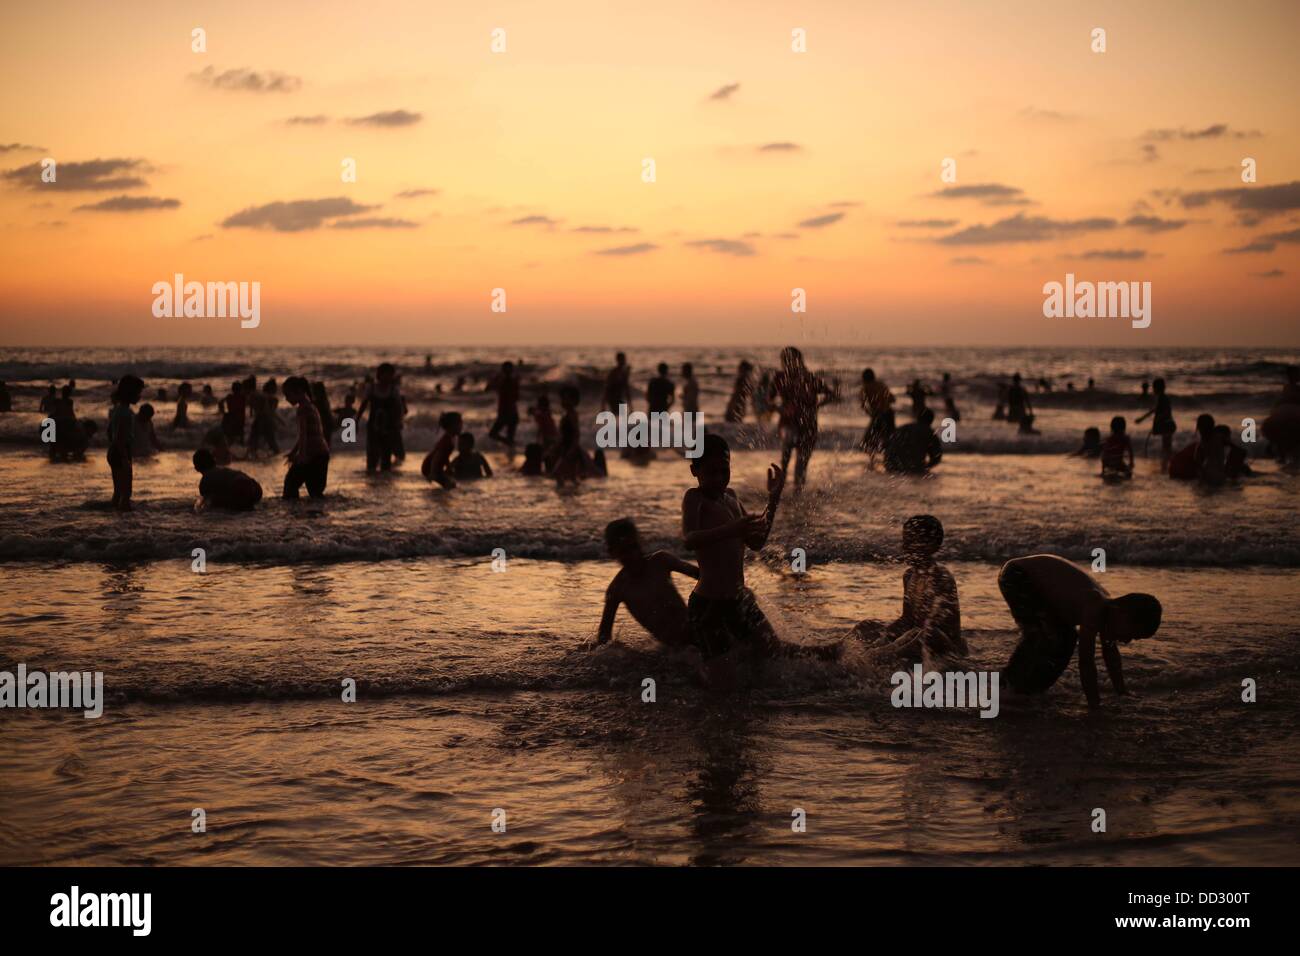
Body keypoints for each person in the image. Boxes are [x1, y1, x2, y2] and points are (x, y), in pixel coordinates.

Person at [681, 434, 838, 687]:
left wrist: (773, 498)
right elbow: (689, 539)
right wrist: (733, 529)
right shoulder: (694, 498)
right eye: (711, 472)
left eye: (725, 470)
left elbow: (757, 541)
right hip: (709, 606)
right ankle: (690, 674)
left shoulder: (731, 498)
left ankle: (837, 654)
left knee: (773, 651)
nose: (720, 478)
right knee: (723, 687)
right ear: (694, 470)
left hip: (738, 600)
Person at [998, 554, 1162, 707]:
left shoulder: (1109, 613)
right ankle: (1006, 685)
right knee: (1042, 635)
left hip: (1035, 584)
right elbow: (1086, 662)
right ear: (1122, 613)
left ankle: (1031, 689)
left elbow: (1111, 654)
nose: (1127, 640)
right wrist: (1094, 705)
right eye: (1131, 634)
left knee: (1066, 638)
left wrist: (1121, 692)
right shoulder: (1095, 606)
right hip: (1017, 575)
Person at [848, 515, 966, 667]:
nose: (905, 548)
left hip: (945, 646)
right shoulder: (909, 575)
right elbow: (906, 620)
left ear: (932, 545)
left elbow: (935, 628)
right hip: (914, 639)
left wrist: (889, 645)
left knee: (926, 634)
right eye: (905, 541)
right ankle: (841, 650)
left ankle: (874, 658)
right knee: (867, 626)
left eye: (911, 542)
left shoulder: (940, 577)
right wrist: (883, 636)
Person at [596, 518, 700, 647]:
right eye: (624, 551)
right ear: (612, 553)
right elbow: (603, 638)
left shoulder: (661, 561)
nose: (632, 555)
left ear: (641, 543)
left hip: (697, 635)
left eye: (634, 547)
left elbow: (703, 576)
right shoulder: (617, 589)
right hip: (673, 651)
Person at [769, 347, 834, 491]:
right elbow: (769, 400)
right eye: (785, 360)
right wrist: (779, 409)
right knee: (786, 461)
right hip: (789, 423)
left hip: (808, 424)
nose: (788, 363)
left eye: (790, 360)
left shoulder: (809, 378)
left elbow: (831, 394)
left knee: (801, 463)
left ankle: (796, 497)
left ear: (798, 361)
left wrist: (817, 405)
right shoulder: (780, 378)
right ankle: (781, 494)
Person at [281, 376, 330, 500]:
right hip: (322, 454)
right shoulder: (311, 406)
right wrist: (294, 452)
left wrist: (302, 455)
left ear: (299, 391)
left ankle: (293, 514)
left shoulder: (302, 409)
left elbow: (303, 434)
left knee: (290, 486)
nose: (286, 398)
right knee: (315, 493)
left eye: (287, 394)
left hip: (311, 455)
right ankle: (315, 517)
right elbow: (308, 434)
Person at [107, 375, 145, 511]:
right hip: (122, 452)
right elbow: (120, 437)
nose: (140, 396)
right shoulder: (127, 413)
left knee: (118, 491)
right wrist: (124, 457)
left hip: (113, 451)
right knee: (126, 492)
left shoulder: (117, 410)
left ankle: (114, 514)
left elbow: (109, 432)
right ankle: (124, 520)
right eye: (138, 393)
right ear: (131, 393)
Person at [358, 362, 403, 472]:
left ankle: (384, 479)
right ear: (379, 374)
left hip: (389, 427)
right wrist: (356, 420)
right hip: (373, 426)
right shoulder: (371, 388)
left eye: (390, 375)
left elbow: (399, 408)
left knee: (386, 454)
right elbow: (363, 405)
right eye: (385, 374)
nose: (387, 377)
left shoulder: (393, 390)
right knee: (372, 453)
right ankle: (371, 476)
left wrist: (399, 422)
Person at [192, 448, 263, 511]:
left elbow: (206, 503)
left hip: (239, 487)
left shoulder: (205, 481)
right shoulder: (223, 471)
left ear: (197, 468)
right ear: (213, 460)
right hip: (255, 487)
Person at [884, 408, 943, 474]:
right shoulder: (929, 432)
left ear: (917, 418)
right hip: (910, 467)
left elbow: (887, 444)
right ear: (931, 420)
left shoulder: (903, 428)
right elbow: (937, 456)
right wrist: (926, 467)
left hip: (890, 463)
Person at [859, 368, 896, 462]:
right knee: (889, 438)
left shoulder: (865, 387)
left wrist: (871, 414)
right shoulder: (882, 385)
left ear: (864, 378)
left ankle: (872, 460)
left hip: (878, 415)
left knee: (866, 442)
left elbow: (863, 405)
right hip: (889, 414)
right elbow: (893, 399)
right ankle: (888, 459)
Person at [1136, 377, 1175, 464]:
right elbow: (1155, 410)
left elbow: (1163, 412)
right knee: (1166, 446)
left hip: (1167, 425)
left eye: (1154, 387)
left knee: (1167, 446)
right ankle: (1166, 463)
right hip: (1168, 424)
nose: (1153, 389)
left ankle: (1168, 463)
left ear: (1158, 388)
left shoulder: (1162, 398)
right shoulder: (1162, 398)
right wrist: (1142, 419)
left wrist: (1158, 419)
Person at [422, 411, 462, 489]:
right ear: (452, 426)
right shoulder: (447, 441)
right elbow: (437, 457)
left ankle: (440, 495)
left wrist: (449, 467)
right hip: (430, 467)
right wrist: (433, 473)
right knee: (450, 485)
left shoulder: (450, 438)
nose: (461, 426)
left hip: (434, 467)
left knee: (451, 484)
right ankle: (440, 497)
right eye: (460, 424)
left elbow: (445, 456)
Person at [487, 361, 521, 446]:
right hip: (512, 412)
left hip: (506, 412)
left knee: (493, 434)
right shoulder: (513, 381)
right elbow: (516, 397)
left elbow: (488, 387)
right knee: (509, 438)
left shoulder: (505, 381)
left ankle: (510, 444)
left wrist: (495, 378)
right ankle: (511, 445)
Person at [248, 379, 280, 456]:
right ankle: (276, 453)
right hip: (266, 421)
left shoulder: (258, 396)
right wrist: (279, 421)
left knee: (254, 439)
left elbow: (253, 408)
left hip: (260, 420)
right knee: (270, 440)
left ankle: (252, 455)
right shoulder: (274, 399)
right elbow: (271, 412)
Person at [219, 380, 246, 446]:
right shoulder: (243, 397)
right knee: (240, 436)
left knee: (230, 437)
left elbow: (220, 402)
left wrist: (223, 412)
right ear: (241, 389)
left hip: (230, 418)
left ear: (232, 389)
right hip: (240, 419)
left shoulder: (229, 397)